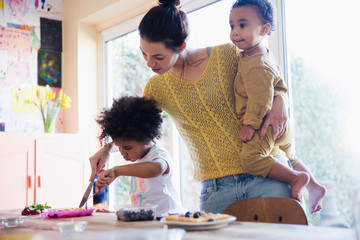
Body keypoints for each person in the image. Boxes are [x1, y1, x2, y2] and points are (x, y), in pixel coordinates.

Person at [90, 0, 291, 214]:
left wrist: (282, 99)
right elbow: (133, 128)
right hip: (215, 191)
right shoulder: (156, 87)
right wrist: (107, 147)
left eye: (158, 56)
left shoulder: (227, 56)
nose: (150, 63)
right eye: (144, 54)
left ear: (181, 46)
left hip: (266, 175)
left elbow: (266, 75)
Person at [229, 0, 326, 213]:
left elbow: (261, 99)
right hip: (282, 124)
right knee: (290, 156)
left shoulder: (257, 64)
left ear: (264, 29)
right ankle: (315, 186)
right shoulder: (260, 54)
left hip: (265, 123)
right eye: (232, 26)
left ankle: (296, 178)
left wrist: (250, 125)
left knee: (251, 159)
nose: (235, 32)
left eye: (242, 25)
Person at [94, 96, 184, 217]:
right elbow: (144, 203)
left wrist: (117, 171)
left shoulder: (157, 155)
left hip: (167, 219)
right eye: (118, 147)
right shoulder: (139, 159)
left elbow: (156, 168)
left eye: (127, 148)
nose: (122, 153)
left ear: (147, 139)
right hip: (148, 220)